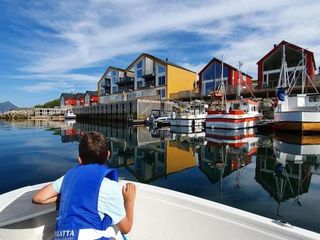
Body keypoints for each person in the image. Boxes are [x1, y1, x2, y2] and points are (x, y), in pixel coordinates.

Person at [32, 131, 136, 240]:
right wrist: (129, 200)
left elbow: (38, 198)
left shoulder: (68, 177)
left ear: (80, 159)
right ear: (108, 155)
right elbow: (126, 228)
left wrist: (68, 196)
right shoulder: (110, 187)